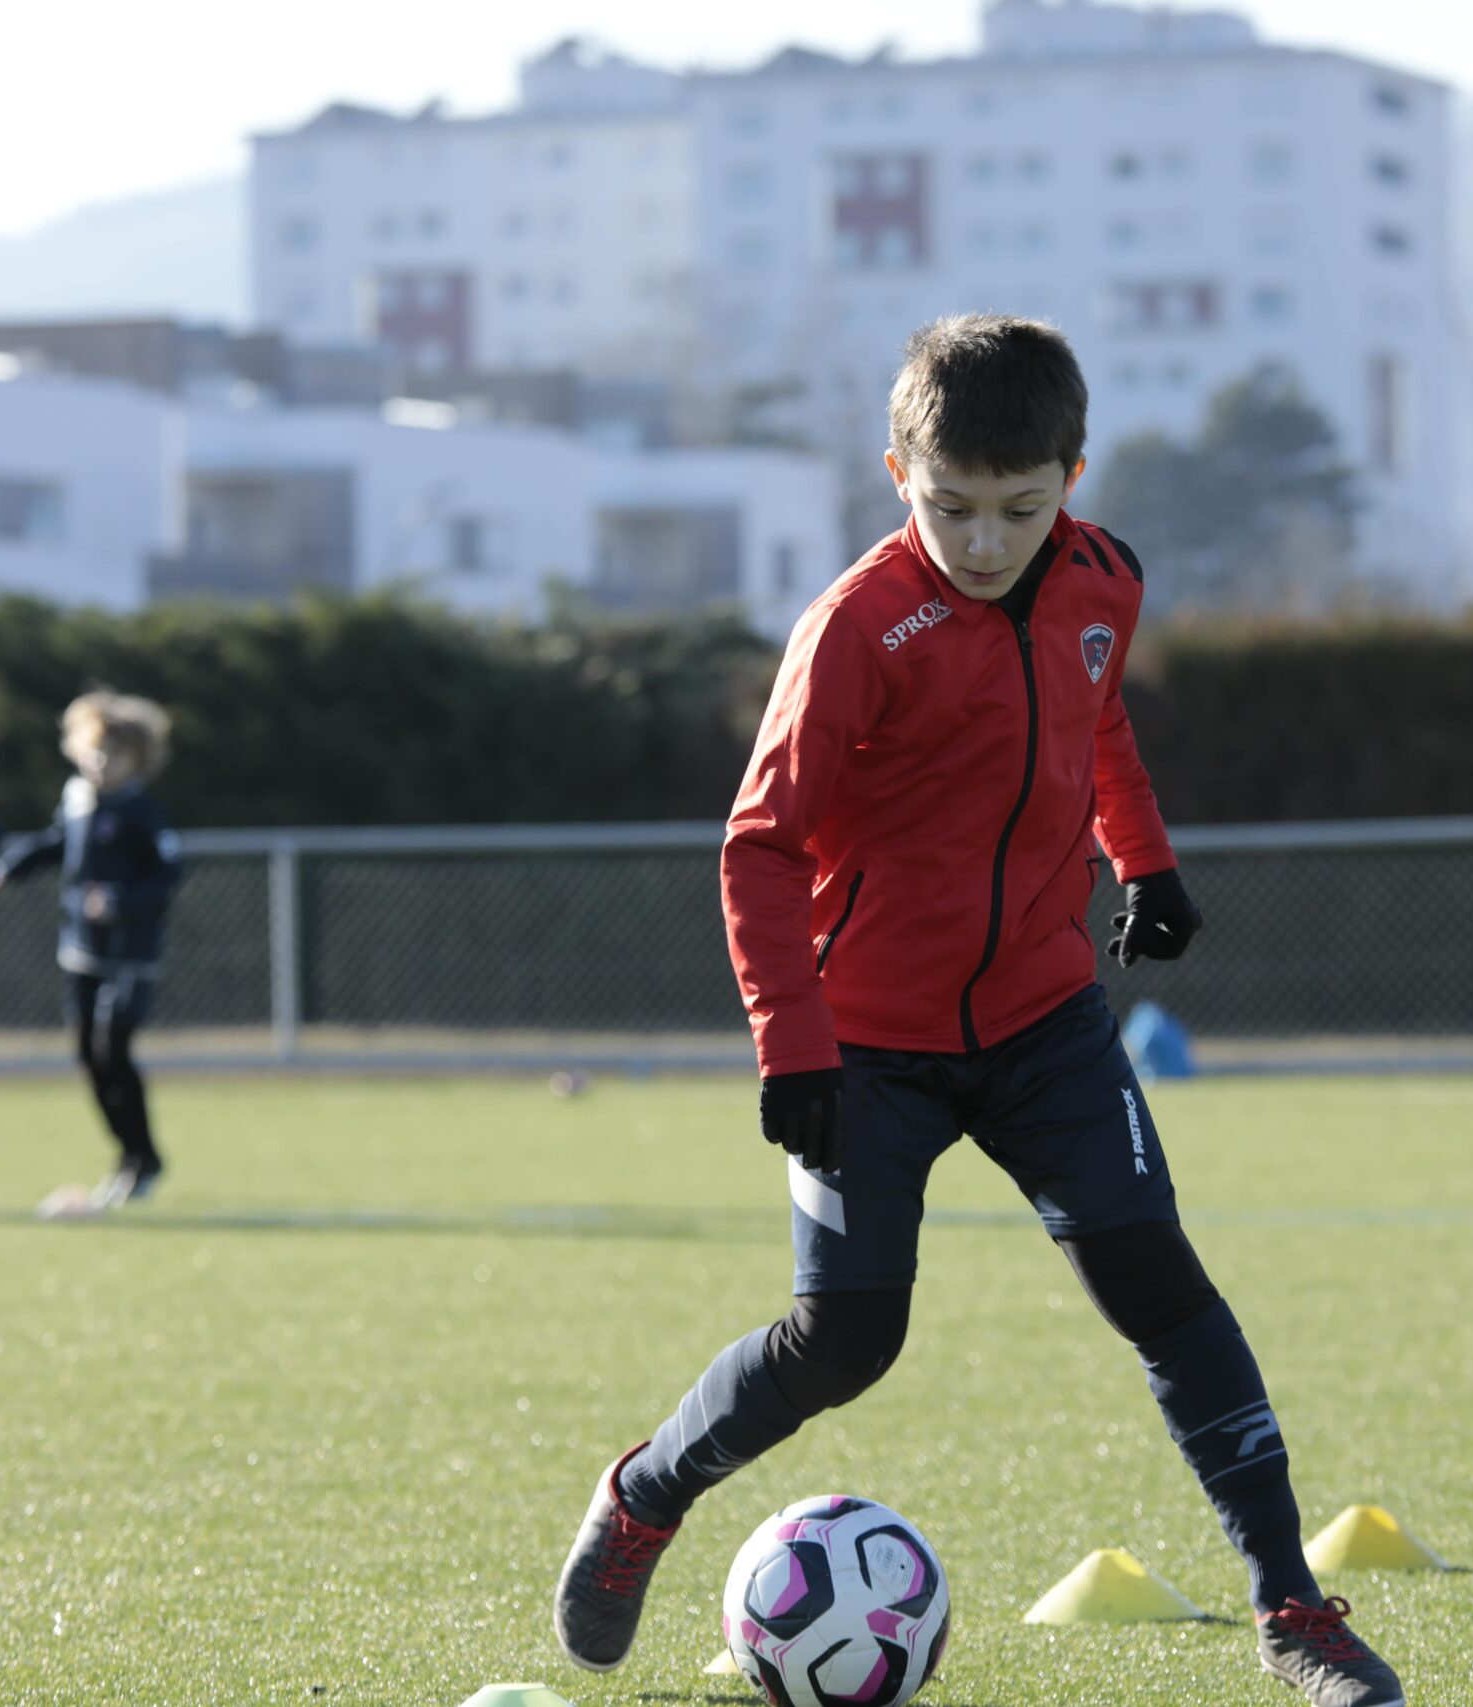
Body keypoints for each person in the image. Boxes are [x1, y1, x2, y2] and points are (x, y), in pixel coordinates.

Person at [550, 315, 1404, 1707]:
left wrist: (1146, 856)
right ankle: (646, 1492)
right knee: (847, 1338)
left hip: (1046, 1019)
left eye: (1023, 506)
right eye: (952, 506)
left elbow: (1098, 716)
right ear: (899, 471)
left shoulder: (1107, 578)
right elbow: (757, 848)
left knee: (1161, 1289)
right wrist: (794, 1040)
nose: (988, 539)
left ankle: (1291, 1607)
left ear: (1075, 471)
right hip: (866, 1045)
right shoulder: (856, 629)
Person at [0, 691, 184, 1212]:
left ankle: (142, 1156)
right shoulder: (78, 799)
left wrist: (121, 901)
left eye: (114, 754)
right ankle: (128, 1155)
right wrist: (15, 864)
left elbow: (167, 875)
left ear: (136, 759)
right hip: (81, 951)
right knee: (88, 1058)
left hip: (130, 956)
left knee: (111, 1049)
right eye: (94, 750)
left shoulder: (141, 811)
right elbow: (58, 843)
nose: (101, 762)